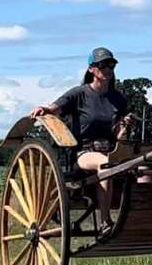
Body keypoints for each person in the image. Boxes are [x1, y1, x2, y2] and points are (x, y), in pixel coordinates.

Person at [30, 47, 135, 236]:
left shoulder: (118, 99)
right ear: (91, 69)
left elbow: (120, 136)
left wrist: (125, 125)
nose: (108, 69)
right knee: (105, 163)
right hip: (84, 153)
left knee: (145, 168)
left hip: (113, 149)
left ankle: (140, 219)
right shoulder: (79, 94)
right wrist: (43, 109)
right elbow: (54, 109)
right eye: (103, 65)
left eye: (111, 65)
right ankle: (105, 222)